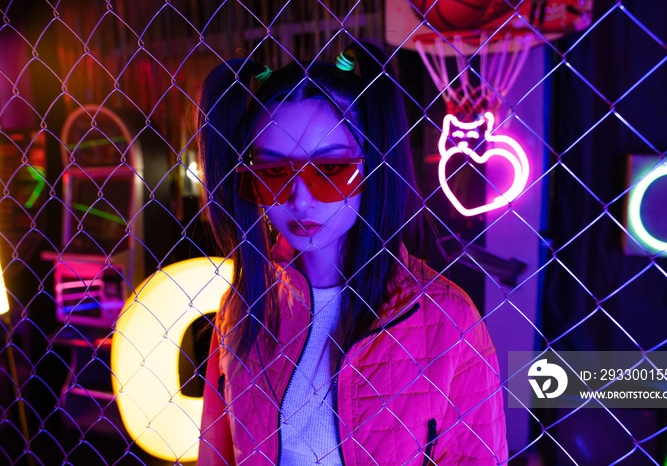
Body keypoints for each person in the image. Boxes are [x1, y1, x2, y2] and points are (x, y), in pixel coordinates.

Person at [197, 41, 507, 465]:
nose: (300, 200)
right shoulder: (244, 305)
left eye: (330, 171)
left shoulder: (447, 318)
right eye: (272, 173)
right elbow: (216, 451)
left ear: (373, 168)